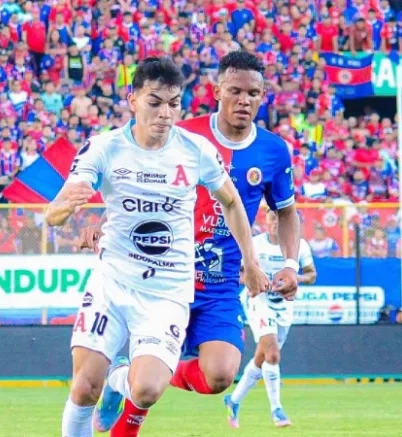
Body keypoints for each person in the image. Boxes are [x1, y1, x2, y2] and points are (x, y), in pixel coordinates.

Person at [81, 51, 302, 437]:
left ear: (263, 96)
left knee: (220, 376)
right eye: (235, 91)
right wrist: (102, 222)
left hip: (220, 284)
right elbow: (137, 180)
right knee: (147, 382)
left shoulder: (273, 151)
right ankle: (128, 394)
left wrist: (290, 264)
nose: (244, 100)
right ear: (217, 91)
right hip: (166, 277)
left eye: (253, 93)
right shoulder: (185, 135)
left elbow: (286, 212)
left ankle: (123, 376)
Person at [224, 209, 316, 428]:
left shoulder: (299, 246)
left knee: (263, 357)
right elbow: (238, 273)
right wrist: (255, 280)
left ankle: (233, 400)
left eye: (279, 218)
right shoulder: (255, 244)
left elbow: (312, 275)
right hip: (259, 300)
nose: (275, 223)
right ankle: (277, 410)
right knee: (273, 354)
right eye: (272, 218)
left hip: (284, 304)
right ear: (266, 221)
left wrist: (294, 278)